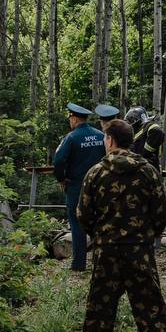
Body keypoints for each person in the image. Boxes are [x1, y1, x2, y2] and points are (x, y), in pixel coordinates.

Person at [77, 119, 166, 332]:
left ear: (109, 140)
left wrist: (100, 234)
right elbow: (162, 212)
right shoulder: (148, 172)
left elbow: (83, 214)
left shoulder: (96, 173)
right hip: (139, 251)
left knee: (99, 310)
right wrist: (146, 234)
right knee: (150, 307)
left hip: (106, 252)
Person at [52, 103, 105, 272]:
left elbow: (58, 160)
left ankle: (79, 264)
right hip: (99, 186)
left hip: (77, 187)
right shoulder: (100, 135)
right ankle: (101, 262)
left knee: (77, 224)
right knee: (99, 222)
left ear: (74, 119)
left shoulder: (71, 137)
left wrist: (62, 179)